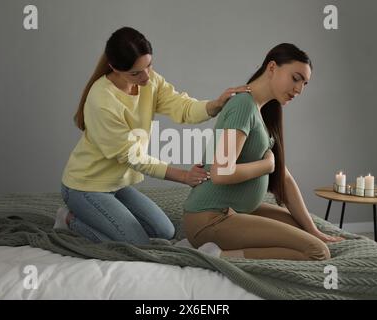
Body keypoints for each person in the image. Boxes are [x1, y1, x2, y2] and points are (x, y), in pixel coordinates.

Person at [54, 27, 250, 245]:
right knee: (138, 244)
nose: (146, 76)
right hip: (86, 186)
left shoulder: (150, 82)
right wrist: (183, 176)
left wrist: (215, 104)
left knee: (164, 232)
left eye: (149, 65)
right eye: (136, 73)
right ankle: (69, 218)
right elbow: (133, 156)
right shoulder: (103, 102)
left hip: (117, 185)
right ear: (114, 68)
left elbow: (182, 107)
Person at [183, 43, 344, 261]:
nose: (299, 90)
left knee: (305, 231)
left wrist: (314, 230)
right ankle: (221, 256)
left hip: (236, 212)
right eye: (295, 78)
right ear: (272, 68)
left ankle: (305, 235)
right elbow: (221, 172)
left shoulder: (263, 110)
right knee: (317, 252)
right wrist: (266, 165)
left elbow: (284, 179)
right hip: (211, 219)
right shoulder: (243, 106)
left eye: (305, 83)